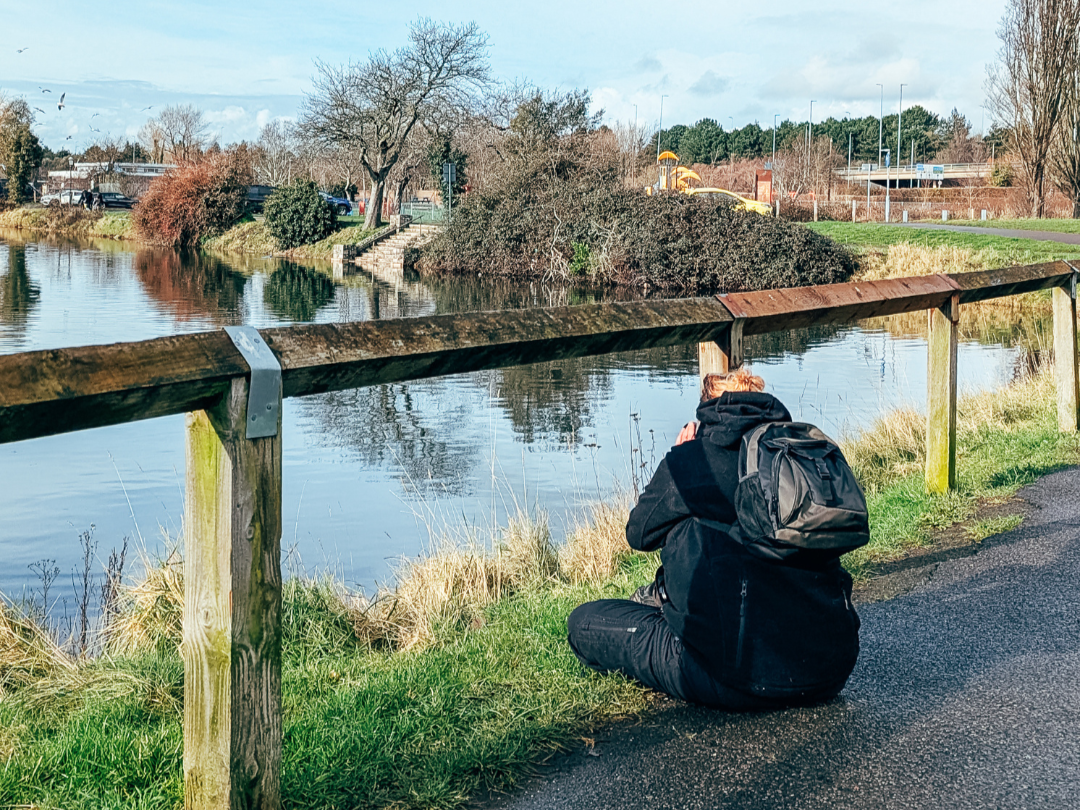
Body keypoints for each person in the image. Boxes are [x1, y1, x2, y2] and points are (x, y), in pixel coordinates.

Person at [567, 368, 860, 710]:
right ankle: (664, 598)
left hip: (736, 678)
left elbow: (639, 532)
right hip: (830, 671)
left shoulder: (695, 460)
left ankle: (667, 605)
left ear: (708, 410)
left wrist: (678, 462)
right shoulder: (799, 459)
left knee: (583, 622)